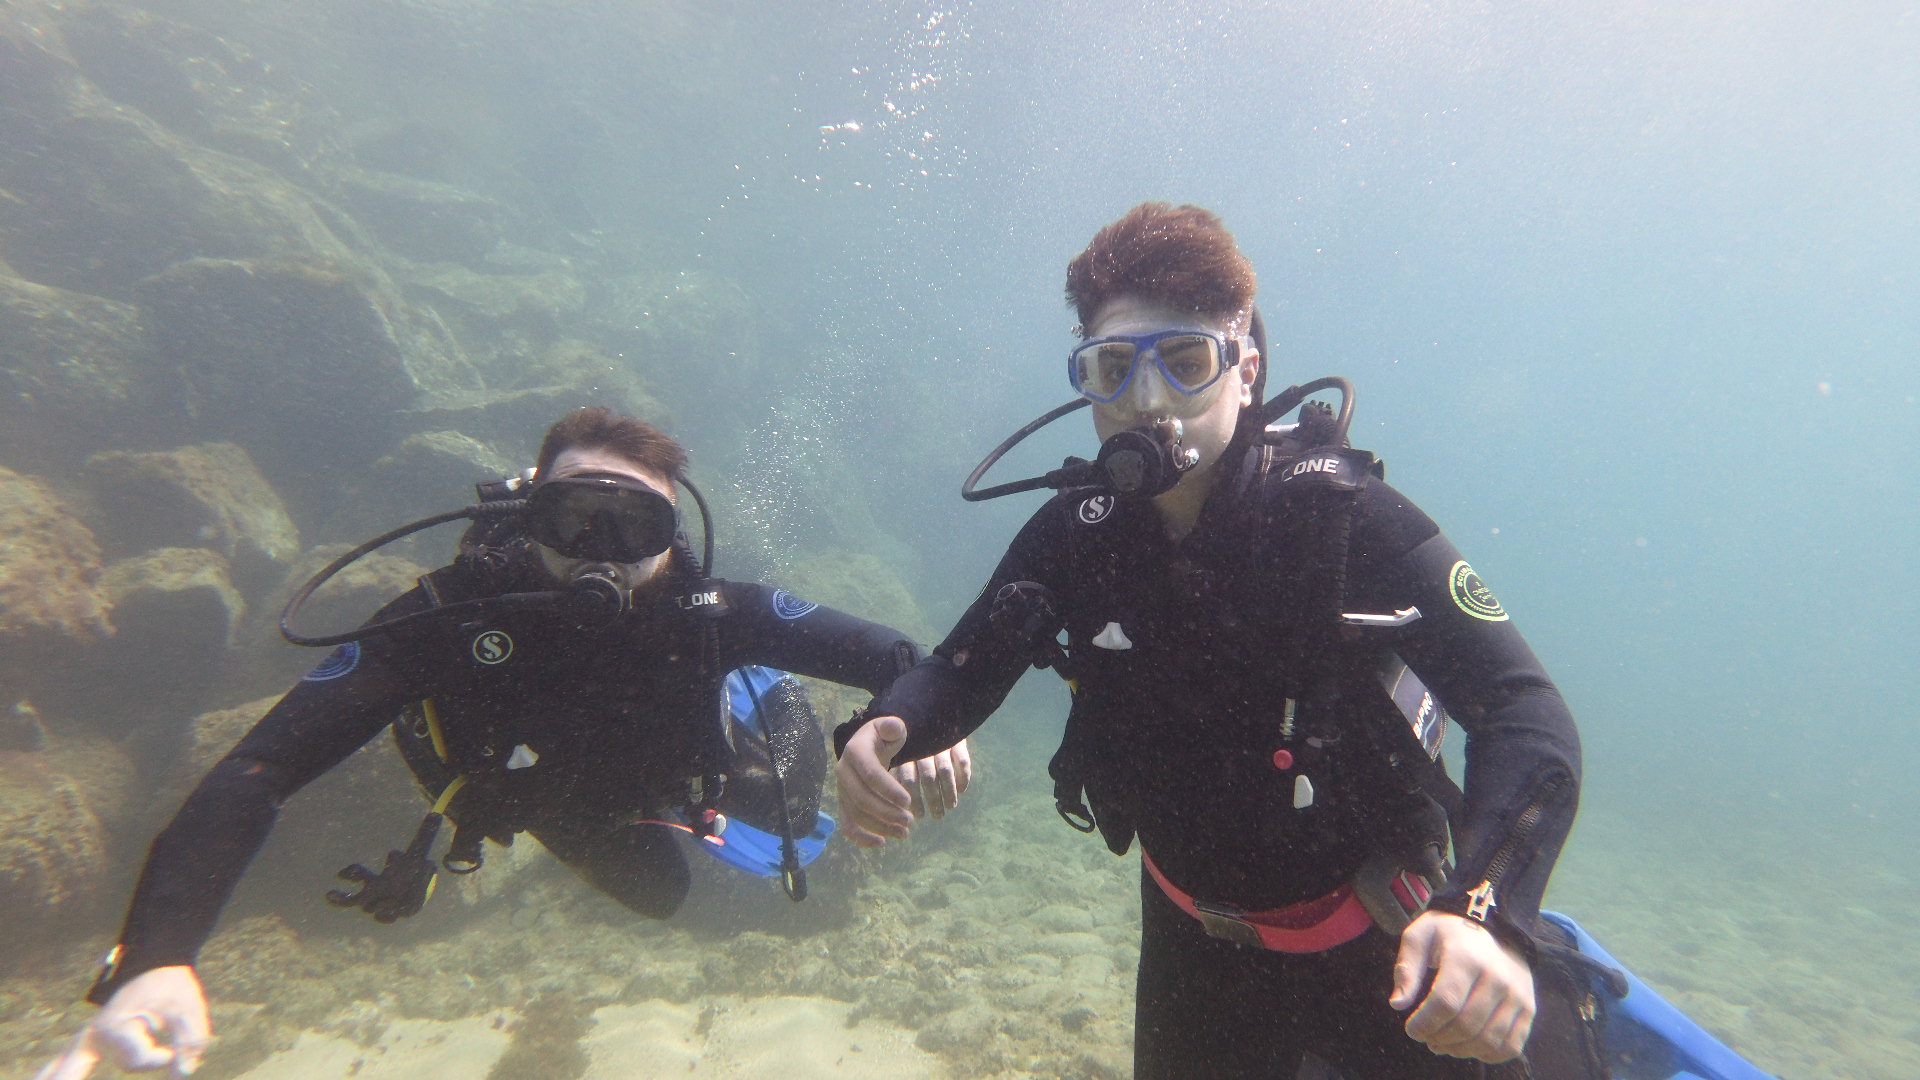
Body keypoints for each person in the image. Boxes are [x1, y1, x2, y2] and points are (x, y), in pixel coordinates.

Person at [836, 204, 1593, 1078]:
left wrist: (1488, 913)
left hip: (1386, 941)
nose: (1147, 400)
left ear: (1246, 371)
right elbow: (960, 670)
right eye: (1113, 368)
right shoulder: (1075, 534)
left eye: (1186, 362)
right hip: (1192, 950)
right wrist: (887, 725)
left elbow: (1523, 710)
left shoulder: (1346, 522)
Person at [37, 407, 971, 1080]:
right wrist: (156, 956)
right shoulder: (447, 617)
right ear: (528, 520)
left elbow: (896, 656)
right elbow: (260, 765)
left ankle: (748, 711)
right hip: (542, 789)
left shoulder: (712, 610)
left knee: (764, 814)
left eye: (634, 525)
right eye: (573, 519)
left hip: (676, 763)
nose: (601, 550)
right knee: (660, 895)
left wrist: (909, 723)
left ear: (671, 535)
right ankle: (641, 799)